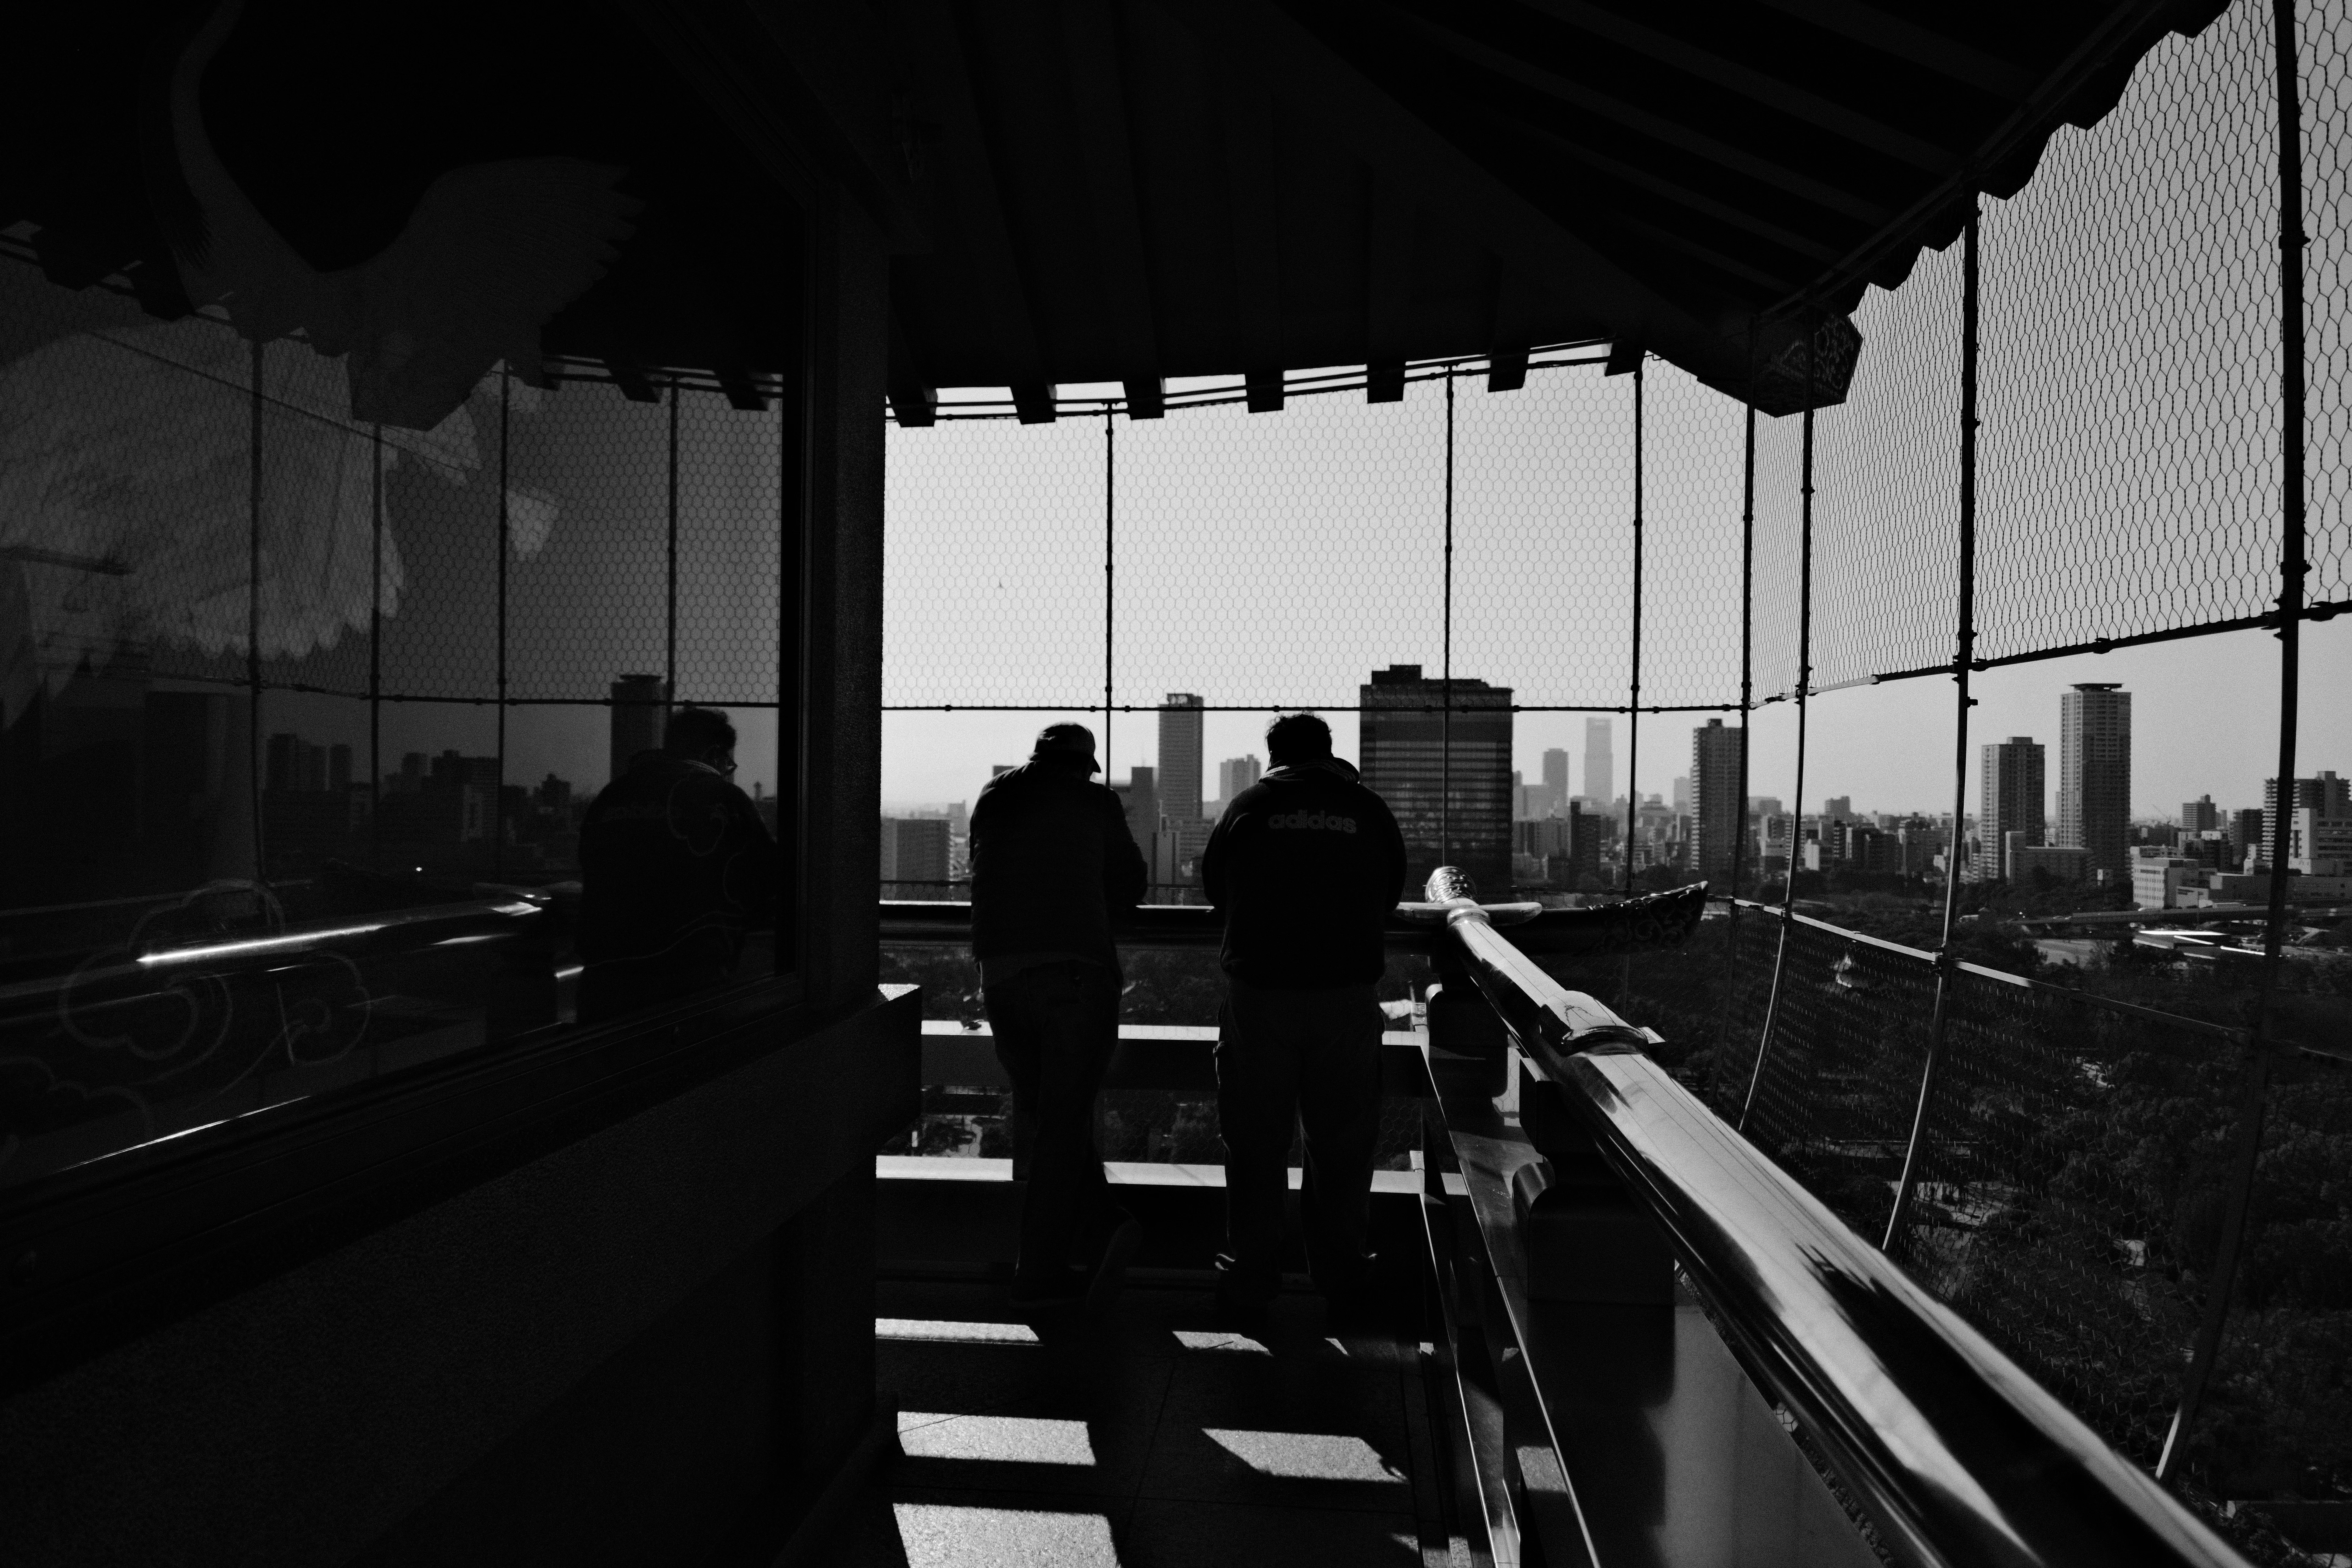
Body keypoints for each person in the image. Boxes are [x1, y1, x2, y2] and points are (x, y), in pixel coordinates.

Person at [1200, 712, 1407, 1326]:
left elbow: (1217, 887)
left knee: (1256, 1143)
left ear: (1273, 755)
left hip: (1260, 995)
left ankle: (1252, 1279)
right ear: (1329, 751)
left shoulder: (1248, 807)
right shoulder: (1366, 809)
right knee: (1342, 1144)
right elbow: (1390, 891)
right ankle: (1343, 1278)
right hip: (1343, 996)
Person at [969, 722, 1149, 1316]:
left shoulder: (995, 796)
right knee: (1063, 1120)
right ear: (1084, 766)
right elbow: (1130, 883)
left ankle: (1102, 1226)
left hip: (999, 976)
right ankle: (1044, 1266)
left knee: (1049, 1117)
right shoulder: (1095, 800)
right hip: (1073, 973)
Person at [577, 706, 779, 1020]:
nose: (729, 771)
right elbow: (768, 881)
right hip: (692, 984)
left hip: (605, 983)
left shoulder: (611, 797)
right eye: (729, 763)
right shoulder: (725, 801)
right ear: (714, 754)